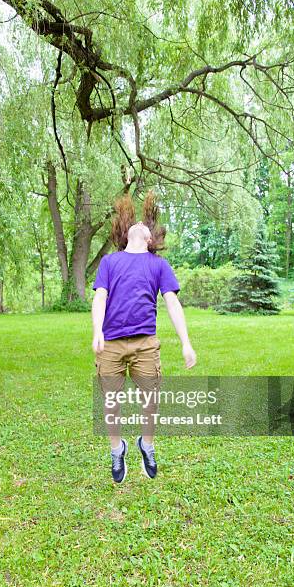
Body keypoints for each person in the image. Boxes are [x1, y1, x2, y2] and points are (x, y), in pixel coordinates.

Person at [92, 191, 196, 483]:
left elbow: (172, 303)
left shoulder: (159, 265)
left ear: (151, 238)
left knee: (151, 398)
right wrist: (97, 330)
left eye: (144, 223)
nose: (139, 222)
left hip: (145, 344)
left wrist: (186, 342)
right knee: (110, 401)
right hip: (111, 343)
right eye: (134, 222)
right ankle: (117, 449)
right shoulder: (110, 262)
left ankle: (146, 444)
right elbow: (100, 298)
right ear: (126, 235)